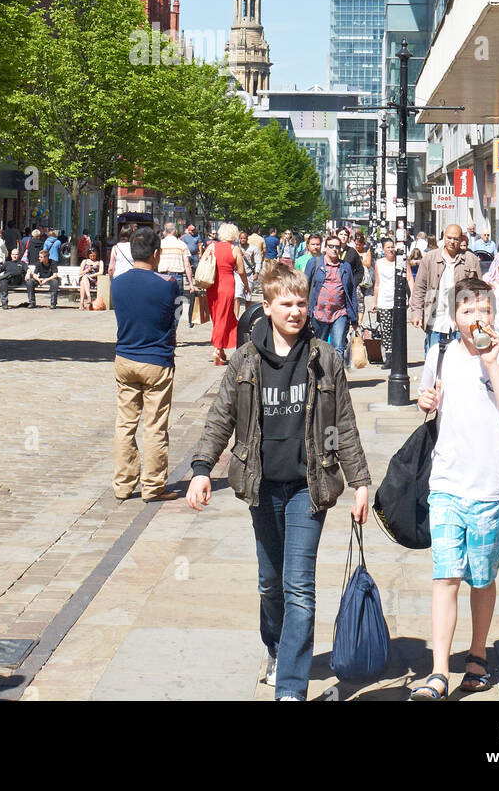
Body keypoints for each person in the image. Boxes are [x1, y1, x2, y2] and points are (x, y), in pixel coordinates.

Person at [187, 261, 371, 702]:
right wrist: (200, 470)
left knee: (299, 587)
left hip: (310, 486)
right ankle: (274, 647)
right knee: (270, 583)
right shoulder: (246, 359)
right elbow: (221, 417)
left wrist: (360, 481)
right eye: (286, 304)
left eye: (301, 303)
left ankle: (291, 689)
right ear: (266, 307)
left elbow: (343, 423)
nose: (295, 311)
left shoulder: (325, 358)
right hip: (262, 485)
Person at [409, 276, 499, 700]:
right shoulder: (439, 355)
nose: (476, 317)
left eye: (484, 310)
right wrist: (425, 402)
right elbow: (427, 398)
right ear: (454, 315)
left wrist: (491, 363)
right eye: (467, 309)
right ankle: (439, 670)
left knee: (482, 577)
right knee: (446, 576)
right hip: (445, 483)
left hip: (491, 487)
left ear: (495, 315)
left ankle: (477, 655)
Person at [111, 227, 180, 503]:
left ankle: (123, 484)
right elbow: (175, 318)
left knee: (124, 424)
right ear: (156, 253)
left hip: (125, 357)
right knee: (154, 425)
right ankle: (153, 486)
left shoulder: (117, 283)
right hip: (156, 360)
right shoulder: (168, 284)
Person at [408, 224, 482, 351]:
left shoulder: (471, 259)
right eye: (449, 238)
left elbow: (480, 292)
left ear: (461, 240)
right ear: (443, 237)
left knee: (460, 359)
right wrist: (416, 313)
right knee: (434, 359)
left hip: (461, 320)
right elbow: (419, 288)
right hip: (436, 317)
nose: (452, 242)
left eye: (456, 239)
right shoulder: (430, 258)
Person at [305, 234, 358, 362]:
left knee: (338, 347)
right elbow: (304, 286)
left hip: (339, 313)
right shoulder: (314, 263)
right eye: (331, 246)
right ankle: (320, 377)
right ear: (325, 248)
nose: (334, 249)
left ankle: (337, 378)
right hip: (319, 313)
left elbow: (351, 292)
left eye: (337, 247)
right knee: (319, 347)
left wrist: (354, 318)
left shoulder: (345, 267)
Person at [206, 223, 249, 367]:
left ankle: (221, 350)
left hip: (212, 285)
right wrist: (247, 286)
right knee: (223, 316)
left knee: (219, 317)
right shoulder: (234, 249)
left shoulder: (212, 246)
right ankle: (217, 349)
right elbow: (241, 271)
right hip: (227, 284)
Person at [370, 236, 400, 368]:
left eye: (392, 247)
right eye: (388, 247)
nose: (391, 249)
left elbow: (410, 278)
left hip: (398, 300)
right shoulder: (379, 263)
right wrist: (374, 302)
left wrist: (412, 296)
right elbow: (377, 283)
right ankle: (389, 357)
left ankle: (398, 356)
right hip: (384, 300)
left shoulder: (400, 261)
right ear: (383, 249)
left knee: (398, 329)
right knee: (386, 330)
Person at [158, 222, 196, 301]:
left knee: (162, 304)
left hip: (161, 276)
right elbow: (187, 265)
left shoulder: (159, 244)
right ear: (175, 231)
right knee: (177, 305)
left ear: (165, 232)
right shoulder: (182, 245)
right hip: (177, 277)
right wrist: (191, 284)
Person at [78, 245, 102, 309]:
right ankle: (89, 297)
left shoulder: (99, 262)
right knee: (84, 279)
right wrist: (87, 270)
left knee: (83, 282)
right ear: (88, 255)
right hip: (85, 278)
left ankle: (81, 304)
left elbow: (101, 272)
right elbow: (80, 272)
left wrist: (91, 275)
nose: (92, 257)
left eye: (94, 255)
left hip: (94, 279)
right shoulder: (85, 261)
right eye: (91, 256)